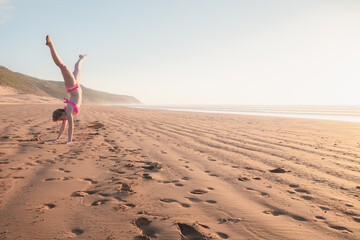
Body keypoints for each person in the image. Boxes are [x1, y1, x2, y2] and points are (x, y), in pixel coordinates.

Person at [46, 35, 87, 144]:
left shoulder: (68, 112)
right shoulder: (67, 113)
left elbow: (71, 127)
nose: (63, 121)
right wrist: (58, 138)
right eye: (61, 121)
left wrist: (69, 140)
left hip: (72, 86)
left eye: (61, 119)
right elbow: (64, 128)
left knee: (63, 66)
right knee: (77, 67)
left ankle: (50, 45)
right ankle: (81, 58)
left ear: (62, 114)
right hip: (76, 85)